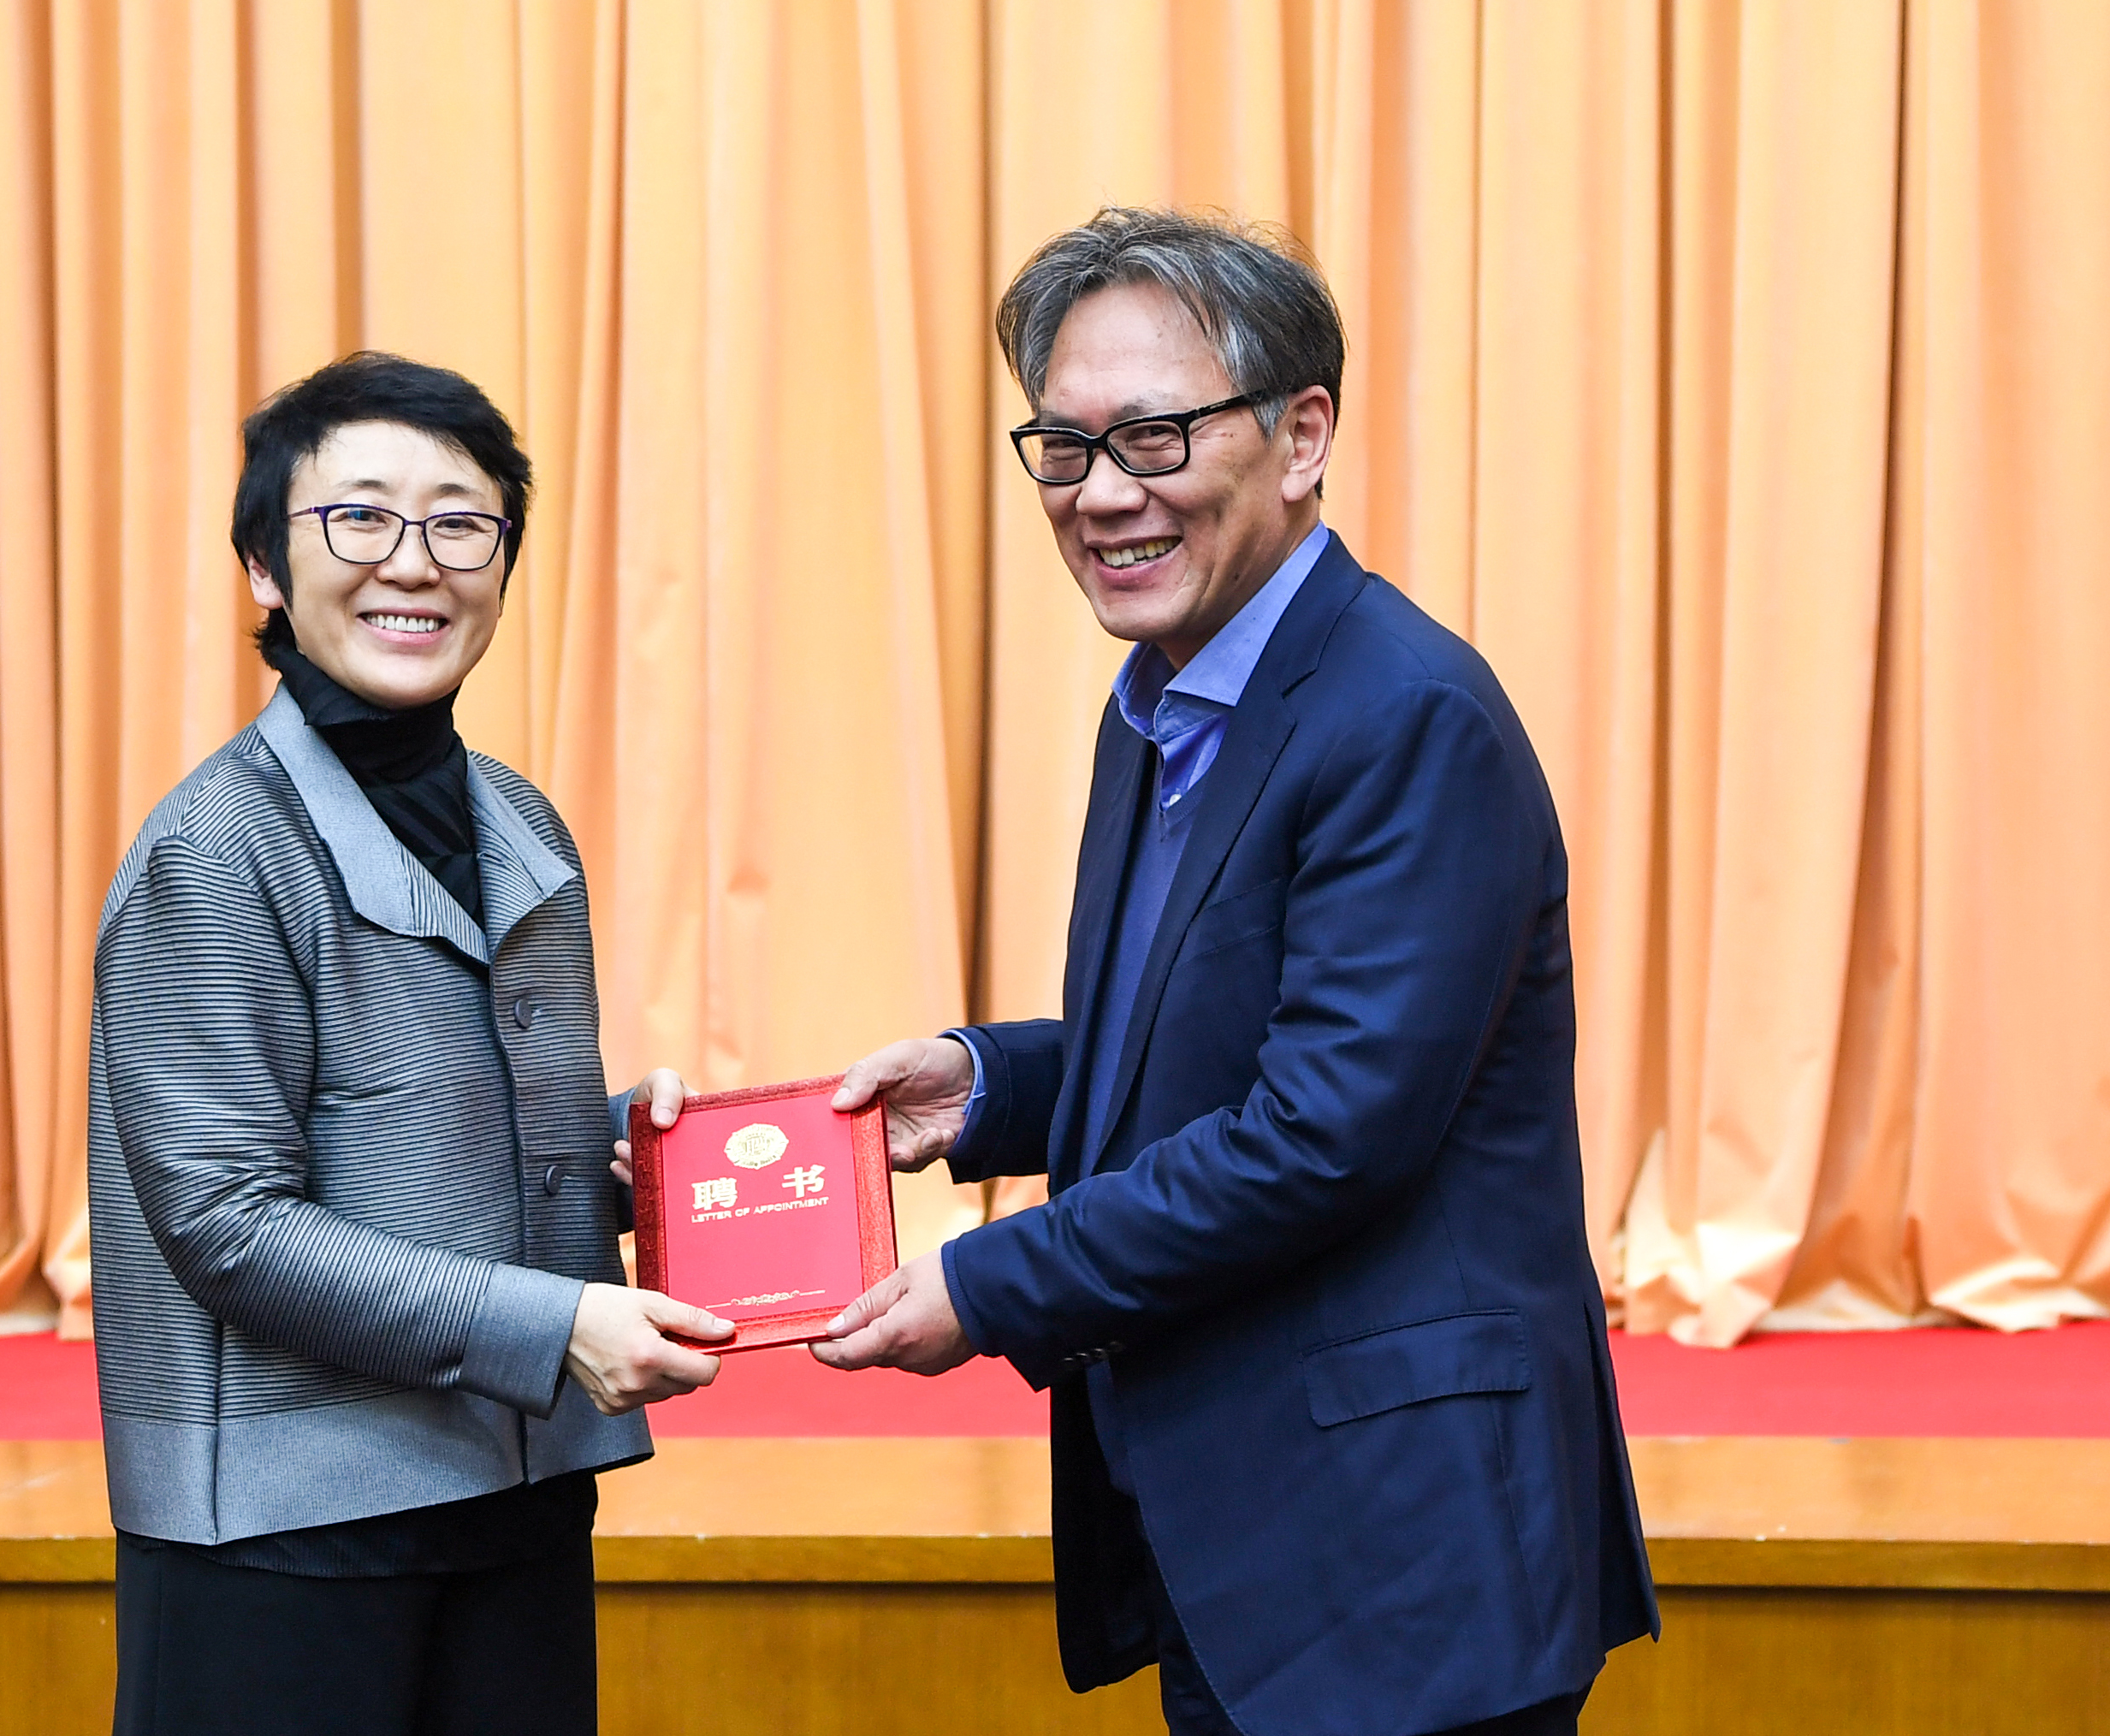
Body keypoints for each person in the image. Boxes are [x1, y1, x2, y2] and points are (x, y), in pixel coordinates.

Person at [814, 209, 1658, 1736]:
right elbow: (1205, 1039)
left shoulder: (1405, 713)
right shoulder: (1166, 696)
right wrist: (988, 1087)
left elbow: (1326, 1132)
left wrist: (989, 1285)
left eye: (1154, 437)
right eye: (1064, 447)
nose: (1102, 493)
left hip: (1404, 1556)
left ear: (1302, 435)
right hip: (1251, 1539)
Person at [88, 352, 728, 1736]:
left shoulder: (521, 820)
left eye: (459, 522)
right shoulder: (213, 848)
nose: (414, 562)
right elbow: (229, 1223)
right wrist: (554, 1324)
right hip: (285, 1531)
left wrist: (625, 1162)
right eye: (361, 516)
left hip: (514, 1495)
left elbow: (411, 1127)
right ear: (266, 564)